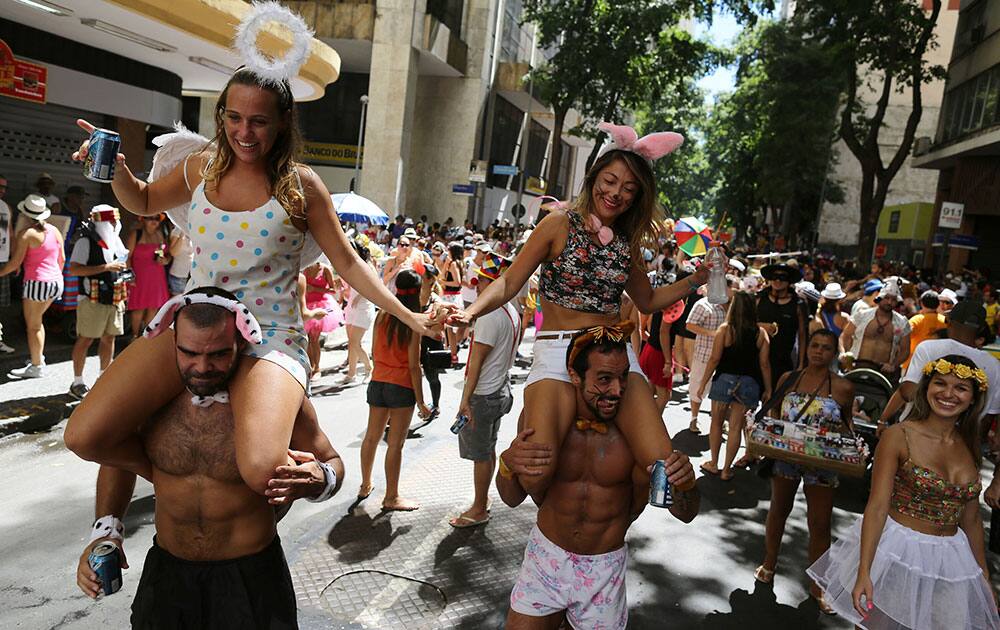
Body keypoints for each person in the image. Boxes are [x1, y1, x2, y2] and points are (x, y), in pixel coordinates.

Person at [65, 64, 436, 503]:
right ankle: (168, 479)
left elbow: (351, 265)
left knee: (262, 468)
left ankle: (323, 463)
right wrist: (116, 171)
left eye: (259, 120)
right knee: (84, 435)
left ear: (282, 123)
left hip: (272, 336)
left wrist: (409, 315)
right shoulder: (199, 168)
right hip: (196, 326)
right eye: (234, 117)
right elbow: (144, 199)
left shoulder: (302, 186)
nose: (244, 132)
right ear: (221, 116)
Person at [450, 122, 707, 498]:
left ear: (637, 198)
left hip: (614, 355)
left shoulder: (627, 244)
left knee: (663, 470)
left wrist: (696, 279)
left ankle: (609, 535)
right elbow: (509, 281)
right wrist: (472, 312)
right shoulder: (558, 224)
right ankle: (509, 471)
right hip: (557, 351)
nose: (616, 193)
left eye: (629, 189)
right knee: (535, 472)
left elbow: (648, 301)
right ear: (593, 179)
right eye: (610, 181)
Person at [73, 288, 344, 628]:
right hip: (169, 576)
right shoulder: (154, 399)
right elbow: (115, 457)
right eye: (189, 353)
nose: (201, 367)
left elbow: (332, 460)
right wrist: (106, 531)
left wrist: (323, 479)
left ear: (241, 345)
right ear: (172, 344)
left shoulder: (268, 405)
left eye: (218, 354)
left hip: (251, 580)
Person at [497, 325, 699, 629]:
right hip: (545, 560)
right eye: (604, 379)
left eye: (623, 378)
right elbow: (511, 498)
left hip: (603, 570)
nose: (617, 390)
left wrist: (686, 483)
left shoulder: (636, 439)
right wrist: (506, 464)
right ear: (574, 376)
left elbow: (686, 513)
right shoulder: (545, 424)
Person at [807, 356, 998, 629]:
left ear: (972, 398)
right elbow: (877, 506)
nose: (948, 394)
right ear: (926, 388)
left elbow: (972, 519)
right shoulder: (899, 435)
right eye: (940, 383)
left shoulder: (969, 444)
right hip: (899, 554)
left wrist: (984, 578)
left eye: (960, 388)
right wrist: (864, 571)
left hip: (952, 561)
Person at [753, 329, 855, 615]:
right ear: (806, 347)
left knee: (820, 523)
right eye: (814, 345)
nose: (818, 351)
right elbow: (774, 413)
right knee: (778, 510)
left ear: (834, 353)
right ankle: (769, 563)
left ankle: (818, 586)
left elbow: (847, 425)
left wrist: (852, 449)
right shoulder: (790, 378)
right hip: (786, 458)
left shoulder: (843, 387)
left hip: (823, 462)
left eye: (825, 348)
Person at [452, 254, 521, 528]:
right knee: (488, 448)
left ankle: (479, 507)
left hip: (484, 394)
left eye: (481, 281)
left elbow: (475, 364)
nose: (477, 286)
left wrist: (464, 402)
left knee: (480, 454)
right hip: (500, 388)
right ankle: (483, 499)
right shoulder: (510, 310)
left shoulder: (489, 316)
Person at [357, 269, 429, 511]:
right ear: (418, 291)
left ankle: (365, 484)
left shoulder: (382, 315)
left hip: (378, 382)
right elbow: (413, 365)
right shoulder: (412, 321)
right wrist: (421, 401)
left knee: (371, 437)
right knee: (395, 444)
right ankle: (391, 497)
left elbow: (375, 351)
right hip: (401, 386)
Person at [698, 291, 771, 480]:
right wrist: (768, 388)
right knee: (736, 427)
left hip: (724, 380)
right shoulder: (760, 333)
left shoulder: (725, 329)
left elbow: (714, 359)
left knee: (716, 423)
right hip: (749, 383)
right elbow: (764, 364)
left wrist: (702, 383)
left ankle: (713, 463)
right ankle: (726, 469)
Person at [67, 205, 130, 399]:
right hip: (91, 299)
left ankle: (103, 379)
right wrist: (106, 267)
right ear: (101, 222)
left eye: (115, 221)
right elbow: (75, 270)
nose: (114, 224)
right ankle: (77, 382)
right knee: (85, 339)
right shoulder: (85, 242)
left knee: (109, 337)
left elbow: (119, 265)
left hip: (114, 296)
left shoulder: (115, 241)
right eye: (110, 221)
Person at [1, 194, 64, 379]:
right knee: (38, 323)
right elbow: (62, 260)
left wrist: (0, 272)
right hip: (55, 282)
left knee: (33, 327)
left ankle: (36, 367)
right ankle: (38, 359)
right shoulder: (54, 230)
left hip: (37, 284)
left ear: (26, 214)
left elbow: (14, 264)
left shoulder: (27, 234)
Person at [841, 277, 911, 382]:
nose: (889, 302)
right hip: (856, 367)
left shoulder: (902, 323)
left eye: (893, 300)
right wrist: (845, 354)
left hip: (882, 374)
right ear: (880, 297)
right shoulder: (862, 315)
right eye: (887, 298)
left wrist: (893, 365)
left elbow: (905, 350)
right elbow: (845, 336)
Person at [686, 289, 728, 434]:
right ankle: (694, 418)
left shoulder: (729, 306)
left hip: (724, 356)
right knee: (697, 386)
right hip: (705, 354)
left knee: (720, 390)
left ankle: (718, 421)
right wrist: (713, 334)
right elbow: (690, 325)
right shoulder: (703, 304)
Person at [757, 263, 807, 382]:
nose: (778, 280)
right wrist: (760, 325)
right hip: (757, 358)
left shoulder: (798, 304)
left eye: (783, 277)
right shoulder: (759, 299)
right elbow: (745, 323)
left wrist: (800, 364)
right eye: (775, 277)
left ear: (789, 281)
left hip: (784, 360)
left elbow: (802, 335)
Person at [125, 213, 171, 337]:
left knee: (153, 307)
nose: (154, 221)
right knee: (138, 308)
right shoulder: (136, 234)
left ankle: (146, 336)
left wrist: (165, 260)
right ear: (143, 219)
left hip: (157, 277)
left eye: (157, 218)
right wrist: (129, 276)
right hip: (139, 276)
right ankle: (134, 336)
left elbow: (167, 254)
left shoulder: (162, 233)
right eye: (150, 218)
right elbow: (127, 257)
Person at [299, 260, 343, 379]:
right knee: (307, 339)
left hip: (321, 305)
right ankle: (311, 366)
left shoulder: (325, 269)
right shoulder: (305, 268)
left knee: (314, 339)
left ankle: (317, 368)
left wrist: (314, 289)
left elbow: (333, 290)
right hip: (307, 305)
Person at [341, 240, 376, 385]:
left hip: (364, 307)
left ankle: (369, 369)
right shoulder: (351, 264)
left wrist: (360, 295)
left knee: (355, 342)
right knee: (351, 343)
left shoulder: (367, 266)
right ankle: (351, 374)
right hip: (351, 306)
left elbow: (374, 285)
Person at [902, 290, 946, 370]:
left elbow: (903, 336)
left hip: (913, 364)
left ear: (921, 303)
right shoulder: (944, 321)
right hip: (936, 365)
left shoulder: (917, 320)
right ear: (938, 304)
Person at [442, 242, 465, 365]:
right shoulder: (458, 263)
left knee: (450, 328)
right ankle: (451, 351)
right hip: (454, 296)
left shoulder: (454, 264)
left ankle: (453, 354)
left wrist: (443, 282)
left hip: (451, 297)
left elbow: (457, 282)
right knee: (449, 327)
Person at [0, 173, 13, 353]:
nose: (2, 191)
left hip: (2, 260)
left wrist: (13, 259)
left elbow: (9, 234)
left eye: (4, 187)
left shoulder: (5, 207)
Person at [166, 228, 193, 296]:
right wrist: (182, 235)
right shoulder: (177, 230)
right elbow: (173, 252)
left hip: (192, 276)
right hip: (178, 275)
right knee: (178, 304)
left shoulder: (195, 229)